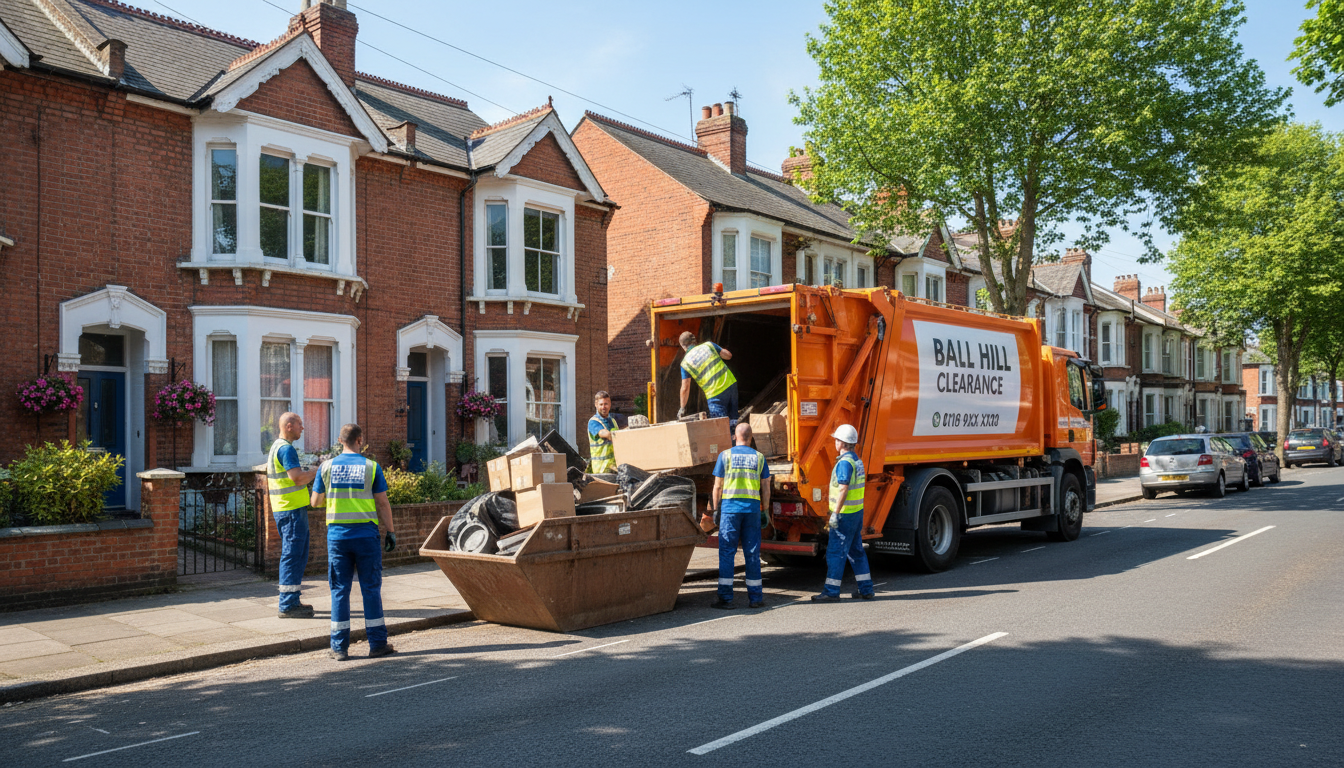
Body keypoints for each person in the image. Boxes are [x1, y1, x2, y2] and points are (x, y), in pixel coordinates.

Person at [311, 423, 397, 661]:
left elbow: (315, 502)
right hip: (366, 537)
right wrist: (390, 531)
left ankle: (339, 648)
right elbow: (382, 503)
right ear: (360, 440)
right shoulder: (371, 467)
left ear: (340, 440)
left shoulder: (326, 467)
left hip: (338, 537)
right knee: (370, 589)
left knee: (339, 590)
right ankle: (377, 644)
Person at [710, 422, 771, 609]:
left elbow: (718, 486)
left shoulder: (725, 456)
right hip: (752, 510)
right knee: (752, 553)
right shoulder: (759, 457)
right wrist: (765, 510)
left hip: (730, 510)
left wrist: (715, 510)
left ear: (735, 437)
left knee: (727, 553)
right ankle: (756, 598)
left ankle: (726, 598)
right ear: (751, 438)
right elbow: (766, 487)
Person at [812, 424, 875, 602]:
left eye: (836, 440)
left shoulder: (844, 463)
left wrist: (835, 513)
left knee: (835, 552)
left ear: (842, 442)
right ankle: (866, 589)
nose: (835, 442)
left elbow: (843, 489)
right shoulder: (857, 461)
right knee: (856, 551)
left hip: (844, 515)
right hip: (856, 513)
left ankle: (831, 591)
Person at [267, 412, 317, 619]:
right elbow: (297, 478)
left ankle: (292, 599)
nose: (302, 428)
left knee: (296, 555)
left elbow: (293, 476)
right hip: (291, 511)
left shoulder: (277, 447)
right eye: (299, 424)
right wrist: (317, 471)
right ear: (289, 426)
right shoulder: (286, 449)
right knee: (293, 555)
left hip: (287, 509)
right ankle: (287, 604)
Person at [678, 331, 739, 427]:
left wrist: (682, 408)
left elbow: (685, 388)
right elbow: (728, 355)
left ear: (682, 346)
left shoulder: (685, 363)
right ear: (694, 341)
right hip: (730, 384)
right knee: (734, 420)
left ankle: (729, 440)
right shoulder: (708, 345)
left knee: (722, 427)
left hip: (715, 394)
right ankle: (739, 438)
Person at [588, 390, 619, 474]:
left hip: (614, 467)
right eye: (601, 404)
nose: (603, 407)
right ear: (596, 405)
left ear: (610, 404)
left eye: (606, 404)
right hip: (601, 469)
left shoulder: (613, 421)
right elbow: (604, 434)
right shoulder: (593, 422)